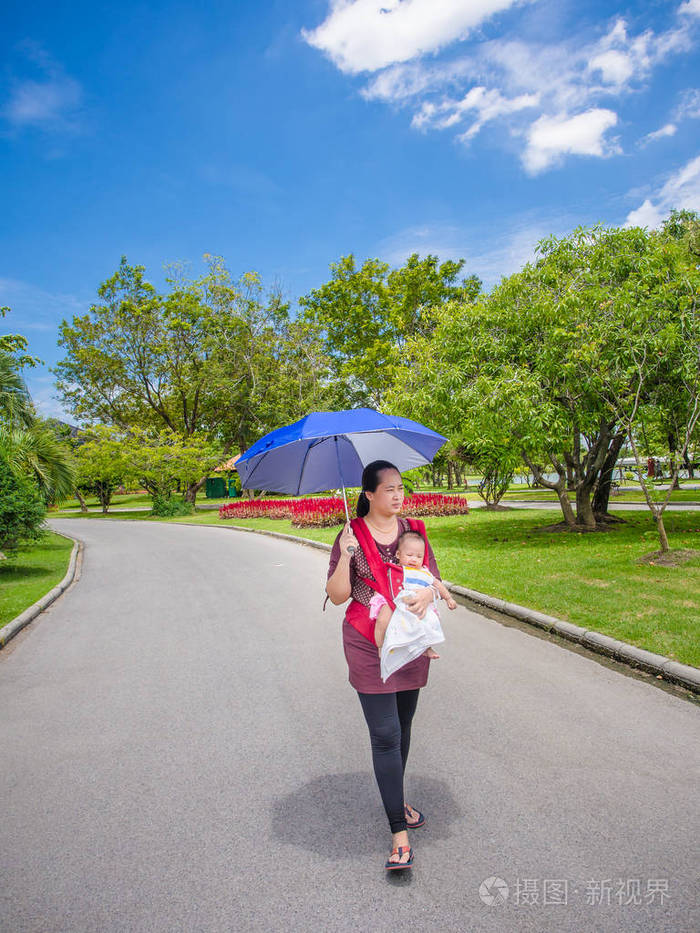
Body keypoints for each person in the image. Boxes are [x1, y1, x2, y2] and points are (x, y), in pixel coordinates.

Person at [325, 459, 447, 871]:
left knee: (404, 724)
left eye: (401, 488)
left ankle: (395, 794)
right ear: (369, 494)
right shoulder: (350, 535)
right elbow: (338, 595)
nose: (398, 495)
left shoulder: (415, 531)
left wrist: (431, 597)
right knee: (385, 733)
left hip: (410, 640)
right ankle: (398, 831)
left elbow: (431, 576)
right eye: (389, 489)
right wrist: (345, 556)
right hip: (368, 641)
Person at [371, 529, 456, 677]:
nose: (414, 559)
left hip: (417, 603)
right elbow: (383, 582)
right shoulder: (395, 569)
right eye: (409, 555)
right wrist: (378, 594)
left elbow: (437, 584)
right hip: (394, 600)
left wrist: (448, 598)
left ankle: (425, 647)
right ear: (398, 555)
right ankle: (380, 646)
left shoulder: (425, 573)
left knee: (426, 623)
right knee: (383, 620)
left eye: (419, 556)